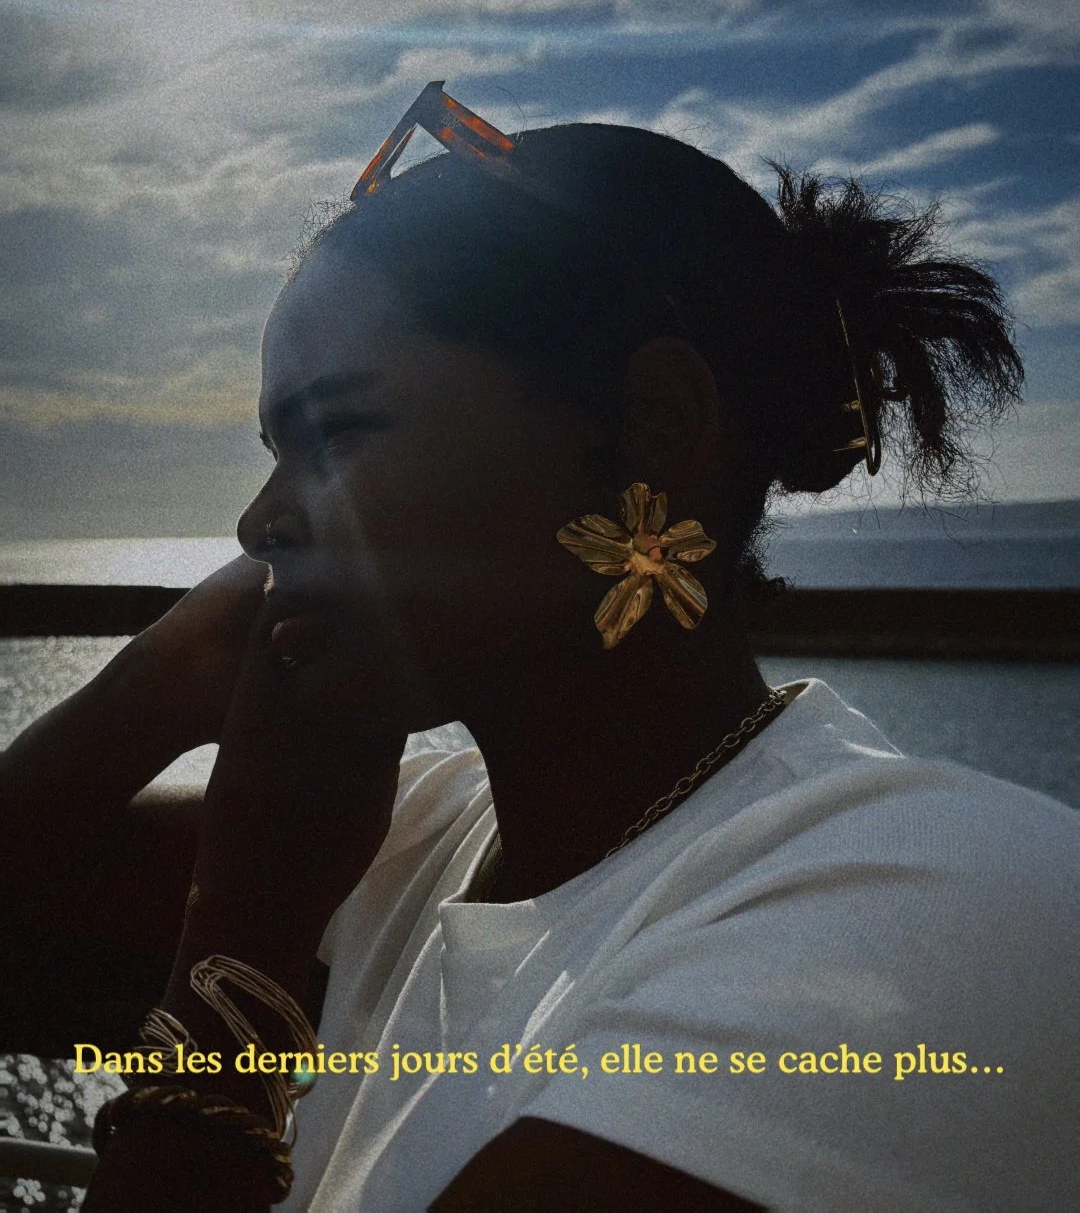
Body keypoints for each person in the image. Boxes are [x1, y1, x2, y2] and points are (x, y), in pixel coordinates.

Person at [2, 82, 1077, 1212]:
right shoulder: (425, 835)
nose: (258, 520)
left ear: (656, 423)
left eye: (344, 431)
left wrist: (244, 945)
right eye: (278, 448)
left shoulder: (925, 909)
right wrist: (157, 685)